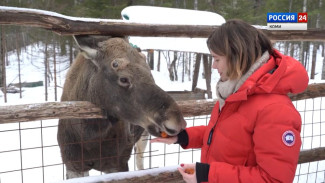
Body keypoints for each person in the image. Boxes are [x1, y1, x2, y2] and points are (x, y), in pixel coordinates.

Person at [151, 19, 309, 183]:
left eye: (217, 59)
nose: (213, 66)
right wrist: (184, 137)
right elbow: (226, 135)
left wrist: (209, 174)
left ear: (237, 57)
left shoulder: (275, 110)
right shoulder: (237, 93)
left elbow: (274, 179)